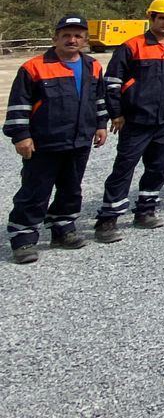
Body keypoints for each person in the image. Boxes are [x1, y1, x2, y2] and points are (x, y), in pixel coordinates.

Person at [6, 15, 107, 263]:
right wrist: (21, 136)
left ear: (85, 40)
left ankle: (63, 230)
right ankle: (23, 239)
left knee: (71, 189)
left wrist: (100, 125)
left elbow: (99, 99)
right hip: (45, 142)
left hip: (79, 140)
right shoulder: (34, 67)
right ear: (55, 39)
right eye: (66, 35)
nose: (72, 40)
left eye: (78, 36)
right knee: (35, 191)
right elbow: (19, 105)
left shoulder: (93, 66)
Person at [93, 0, 164, 240]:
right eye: (161, 17)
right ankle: (107, 220)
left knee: (158, 167)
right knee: (124, 167)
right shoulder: (131, 46)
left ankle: (146, 210)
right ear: (151, 18)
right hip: (136, 118)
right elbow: (112, 82)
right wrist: (116, 113)